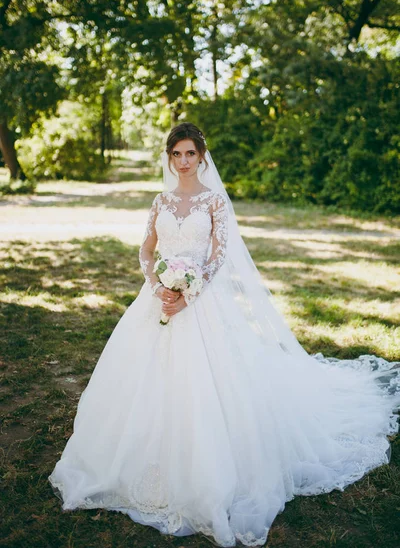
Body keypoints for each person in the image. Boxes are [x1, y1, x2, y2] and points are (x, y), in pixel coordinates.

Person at [49, 122, 400, 548]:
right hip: (157, 299)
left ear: (201, 156)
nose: (182, 162)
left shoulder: (214, 201)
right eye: (176, 154)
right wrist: (161, 287)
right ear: (169, 157)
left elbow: (218, 255)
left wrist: (190, 291)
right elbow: (146, 250)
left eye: (189, 154)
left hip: (203, 302)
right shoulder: (160, 200)